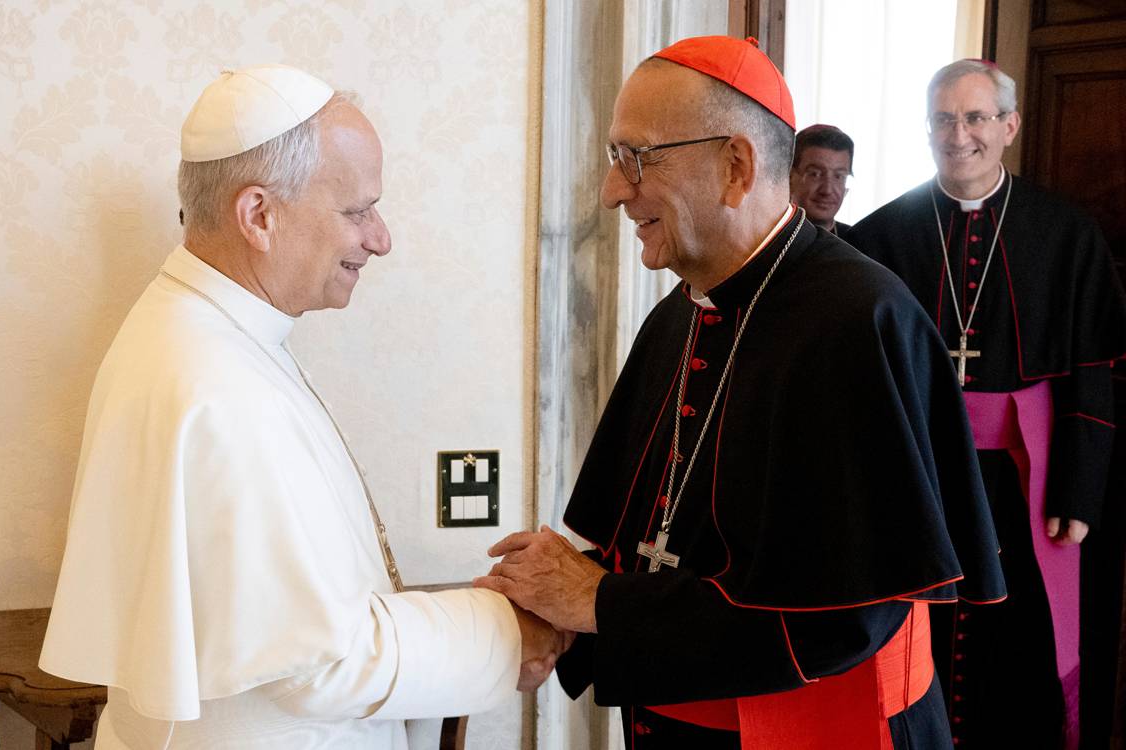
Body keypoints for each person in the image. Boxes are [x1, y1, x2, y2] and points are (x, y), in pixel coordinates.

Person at [475, 36, 1006, 750]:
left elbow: (842, 614)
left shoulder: (859, 319)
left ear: (736, 165)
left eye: (637, 158)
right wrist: (557, 608)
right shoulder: (681, 311)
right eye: (614, 159)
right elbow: (665, 546)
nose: (612, 191)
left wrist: (599, 602)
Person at [39, 64, 562, 749]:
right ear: (259, 215)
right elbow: (320, 659)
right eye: (356, 211)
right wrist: (506, 631)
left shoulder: (206, 332)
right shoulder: (215, 381)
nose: (380, 238)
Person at [848, 59, 1126, 749]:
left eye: (974, 118)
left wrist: (1080, 489)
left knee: (1022, 637)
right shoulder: (882, 237)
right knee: (920, 631)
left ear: (1009, 126)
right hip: (921, 476)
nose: (958, 134)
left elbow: (1095, 365)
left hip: (1028, 479)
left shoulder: (1064, 235)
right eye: (943, 119)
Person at [788, 123, 854, 237]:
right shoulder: (764, 238)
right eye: (815, 174)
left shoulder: (860, 242)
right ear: (790, 178)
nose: (827, 190)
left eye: (838, 176)